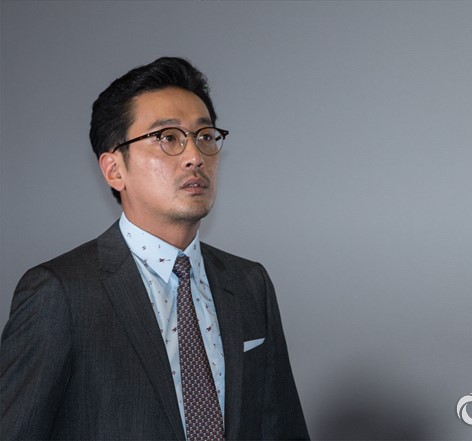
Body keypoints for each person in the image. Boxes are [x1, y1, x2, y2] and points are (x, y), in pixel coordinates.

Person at [0, 57, 309, 440]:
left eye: (205, 136)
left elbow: (280, 428)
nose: (195, 156)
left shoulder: (249, 283)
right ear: (114, 169)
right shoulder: (61, 293)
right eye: (168, 138)